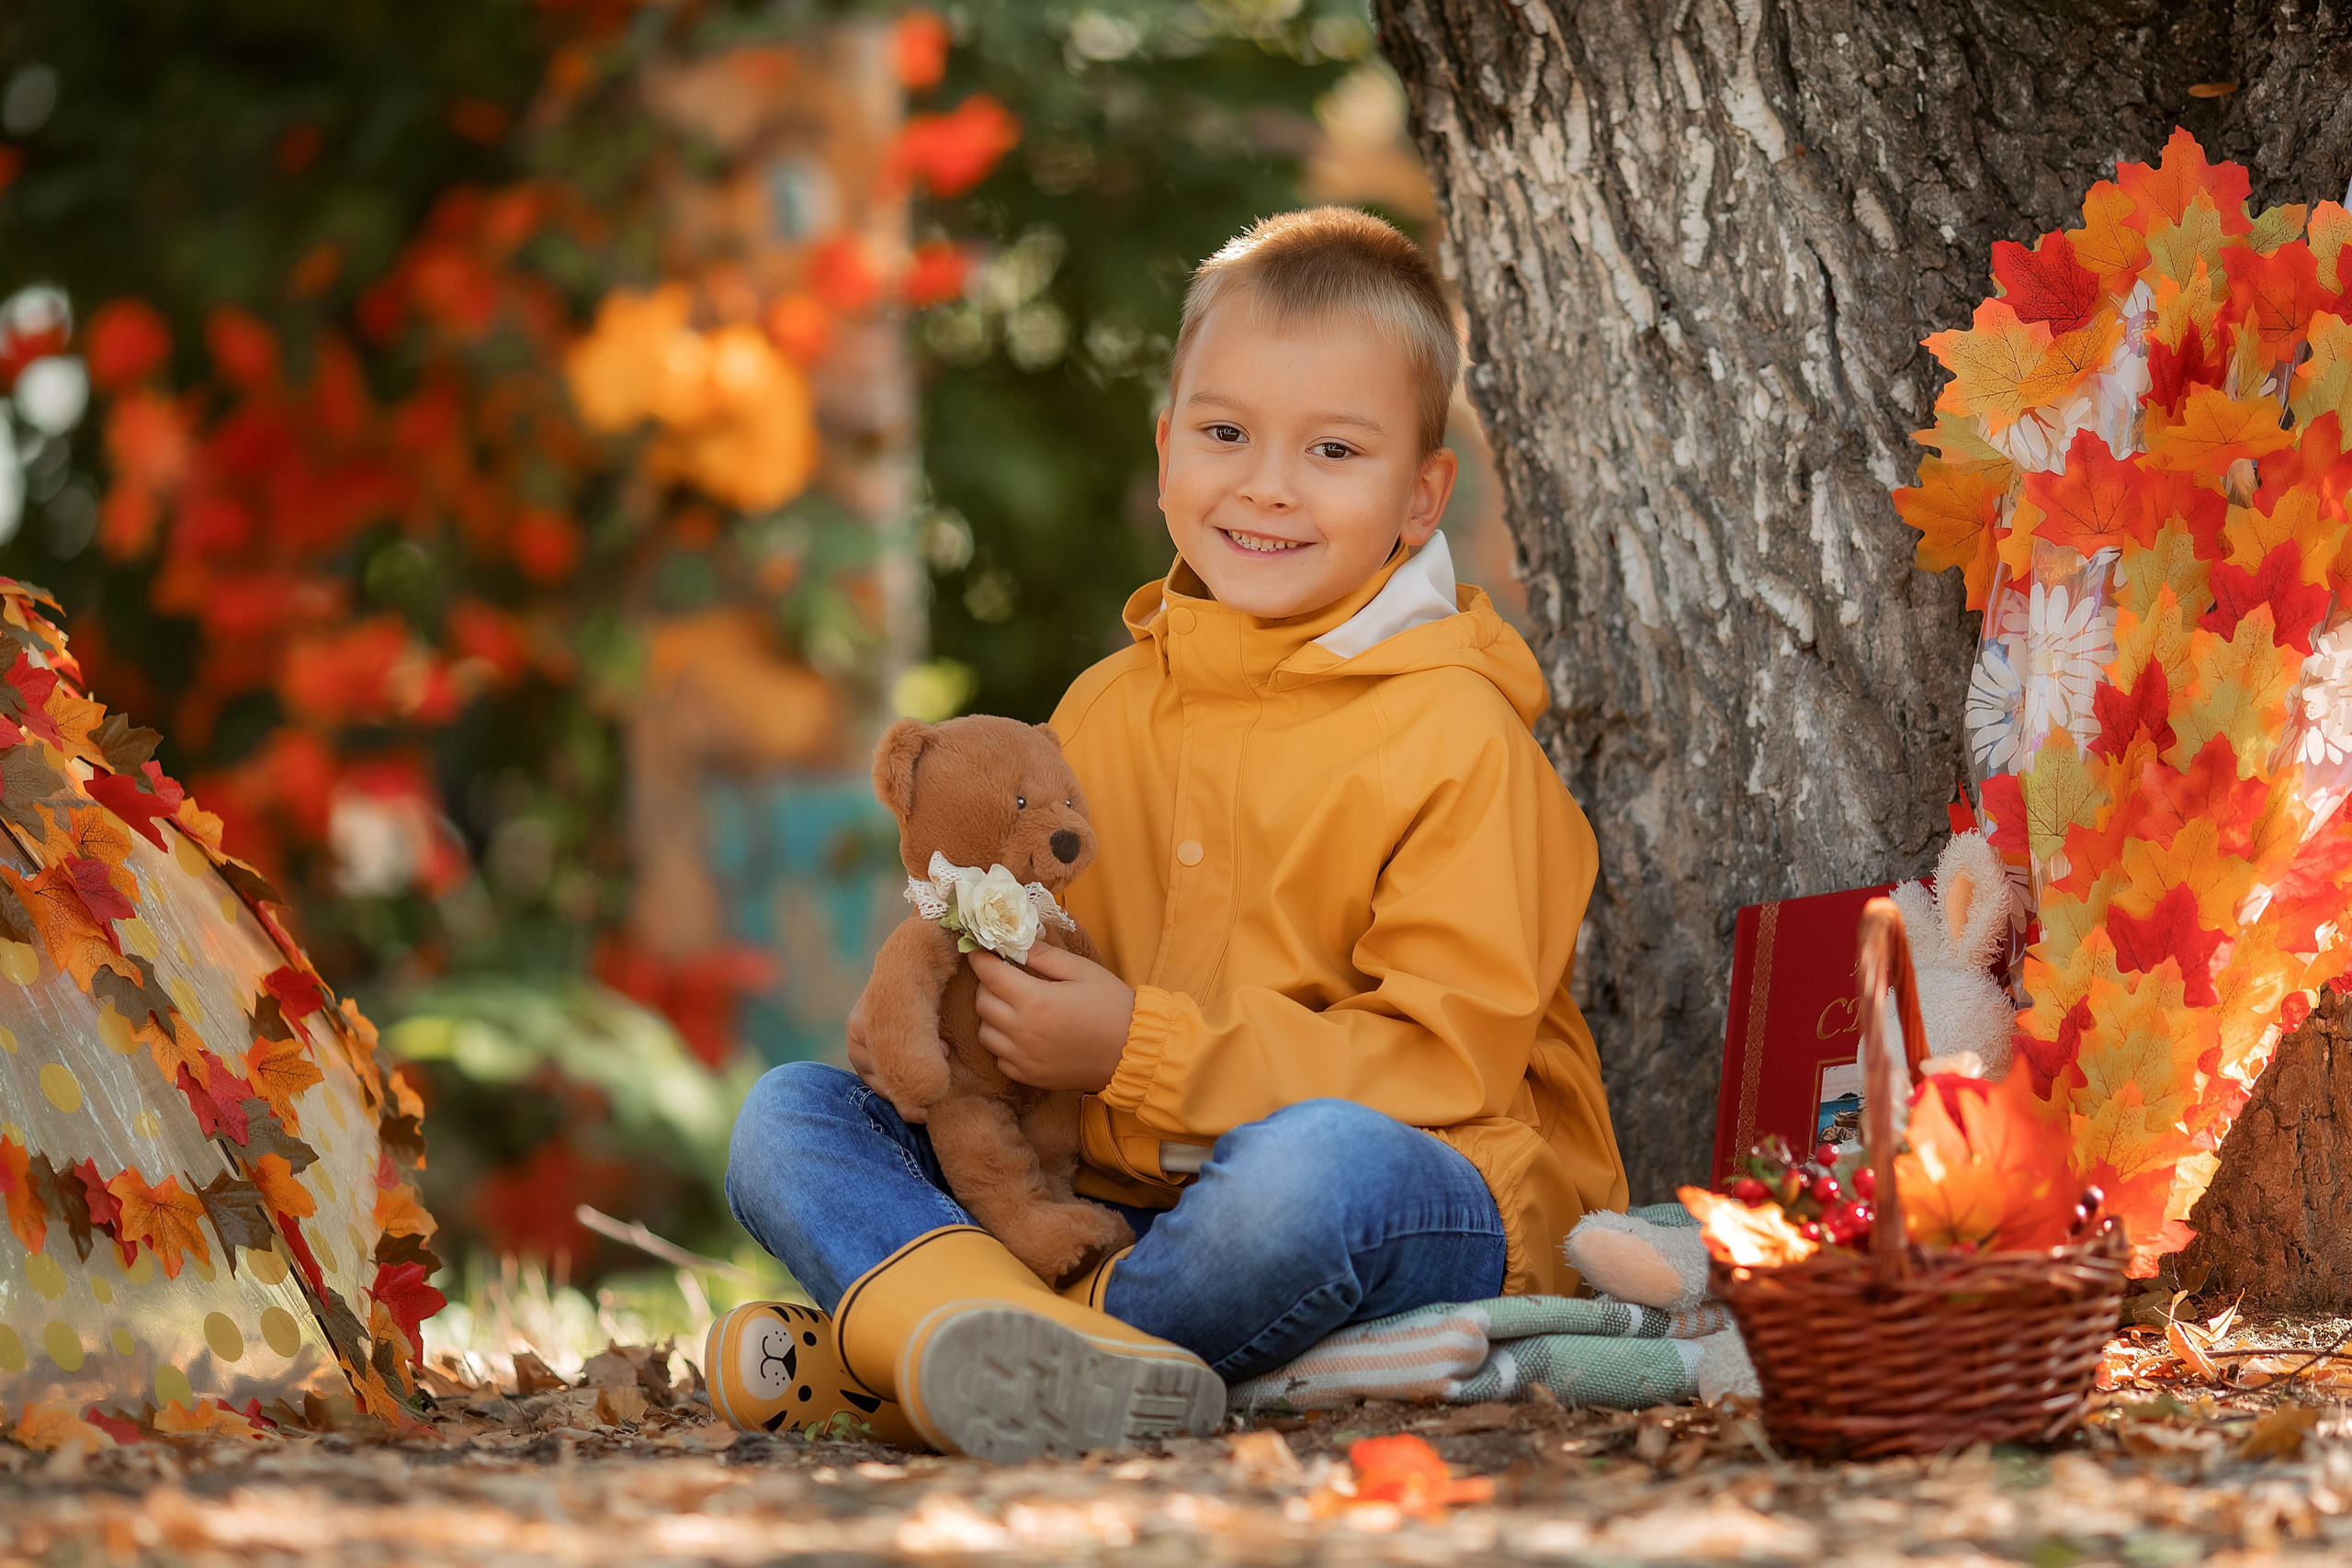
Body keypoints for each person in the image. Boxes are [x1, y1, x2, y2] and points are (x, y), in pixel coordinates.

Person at [709, 207, 1628, 1461]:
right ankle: (999, 1347)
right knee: (791, 1119)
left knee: (1314, 1175)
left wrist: (1128, 1046)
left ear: (1421, 497)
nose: (1265, 484)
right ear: (1164, 452)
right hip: (1114, 1204)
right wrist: (972, 1019)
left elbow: (1442, 1068)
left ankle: (938, 1346)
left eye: (1334, 451)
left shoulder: (1460, 736)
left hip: (1421, 1186)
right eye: (1226, 432)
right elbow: (1013, 949)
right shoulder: (1099, 711)